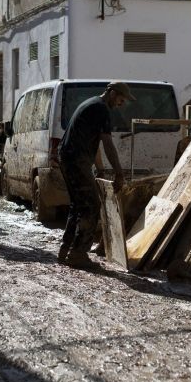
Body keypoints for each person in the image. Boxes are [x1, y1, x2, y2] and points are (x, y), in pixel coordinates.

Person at [57, 81, 133, 266]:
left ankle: (66, 249)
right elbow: (107, 144)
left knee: (78, 204)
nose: (120, 105)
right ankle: (78, 254)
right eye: (121, 100)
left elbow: (94, 141)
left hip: (67, 157)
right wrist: (119, 174)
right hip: (76, 159)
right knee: (91, 205)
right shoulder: (101, 109)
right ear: (113, 93)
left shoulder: (91, 103)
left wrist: (100, 169)